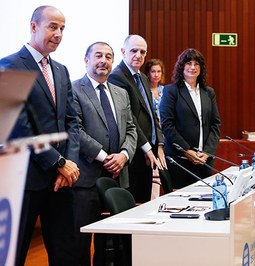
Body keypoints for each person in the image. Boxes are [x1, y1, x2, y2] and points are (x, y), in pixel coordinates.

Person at [0, 6, 80, 265]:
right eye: (52, 26)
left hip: (60, 181)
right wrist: (58, 162)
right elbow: (18, 127)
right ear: (34, 26)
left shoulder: (61, 70)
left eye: (62, 28)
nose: (58, 34)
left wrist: (68, 166)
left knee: (66, 253)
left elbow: (72, 123)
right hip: (25, 179)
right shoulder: (10, 65)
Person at [71, 42, 137, 266]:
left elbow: (131, 129)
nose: (104, 61)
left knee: (113, 245)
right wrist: (104, 156)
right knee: (79, 245)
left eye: (109, 56)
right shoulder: (74, 89)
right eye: (98, 55)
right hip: (86, 180)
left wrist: (124, 155)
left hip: (119, 177)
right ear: (86, 59)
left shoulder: (121, 93)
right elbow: (75, 130)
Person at [108, 35, 166, 203]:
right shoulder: (117, 77)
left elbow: (152, 113)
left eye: (142, 52)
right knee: (133, 206)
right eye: (134, 51)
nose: (138, 55)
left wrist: (159, 144)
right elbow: (130, 118)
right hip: (133, 152)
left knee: (144, 203)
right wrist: (146, 147)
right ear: (123, 51)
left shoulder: (143, 77)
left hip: (149, 152)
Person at [159, 48, 221, 189]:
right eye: (188, 63)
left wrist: (207, 152)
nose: (192, 67)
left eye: (196, 64)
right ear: (181, 67)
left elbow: (215, 124)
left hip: (203, 161)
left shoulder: (208, 92)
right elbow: (167, 125)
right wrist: (186, 150)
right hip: (179, 161)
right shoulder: (171, 91)